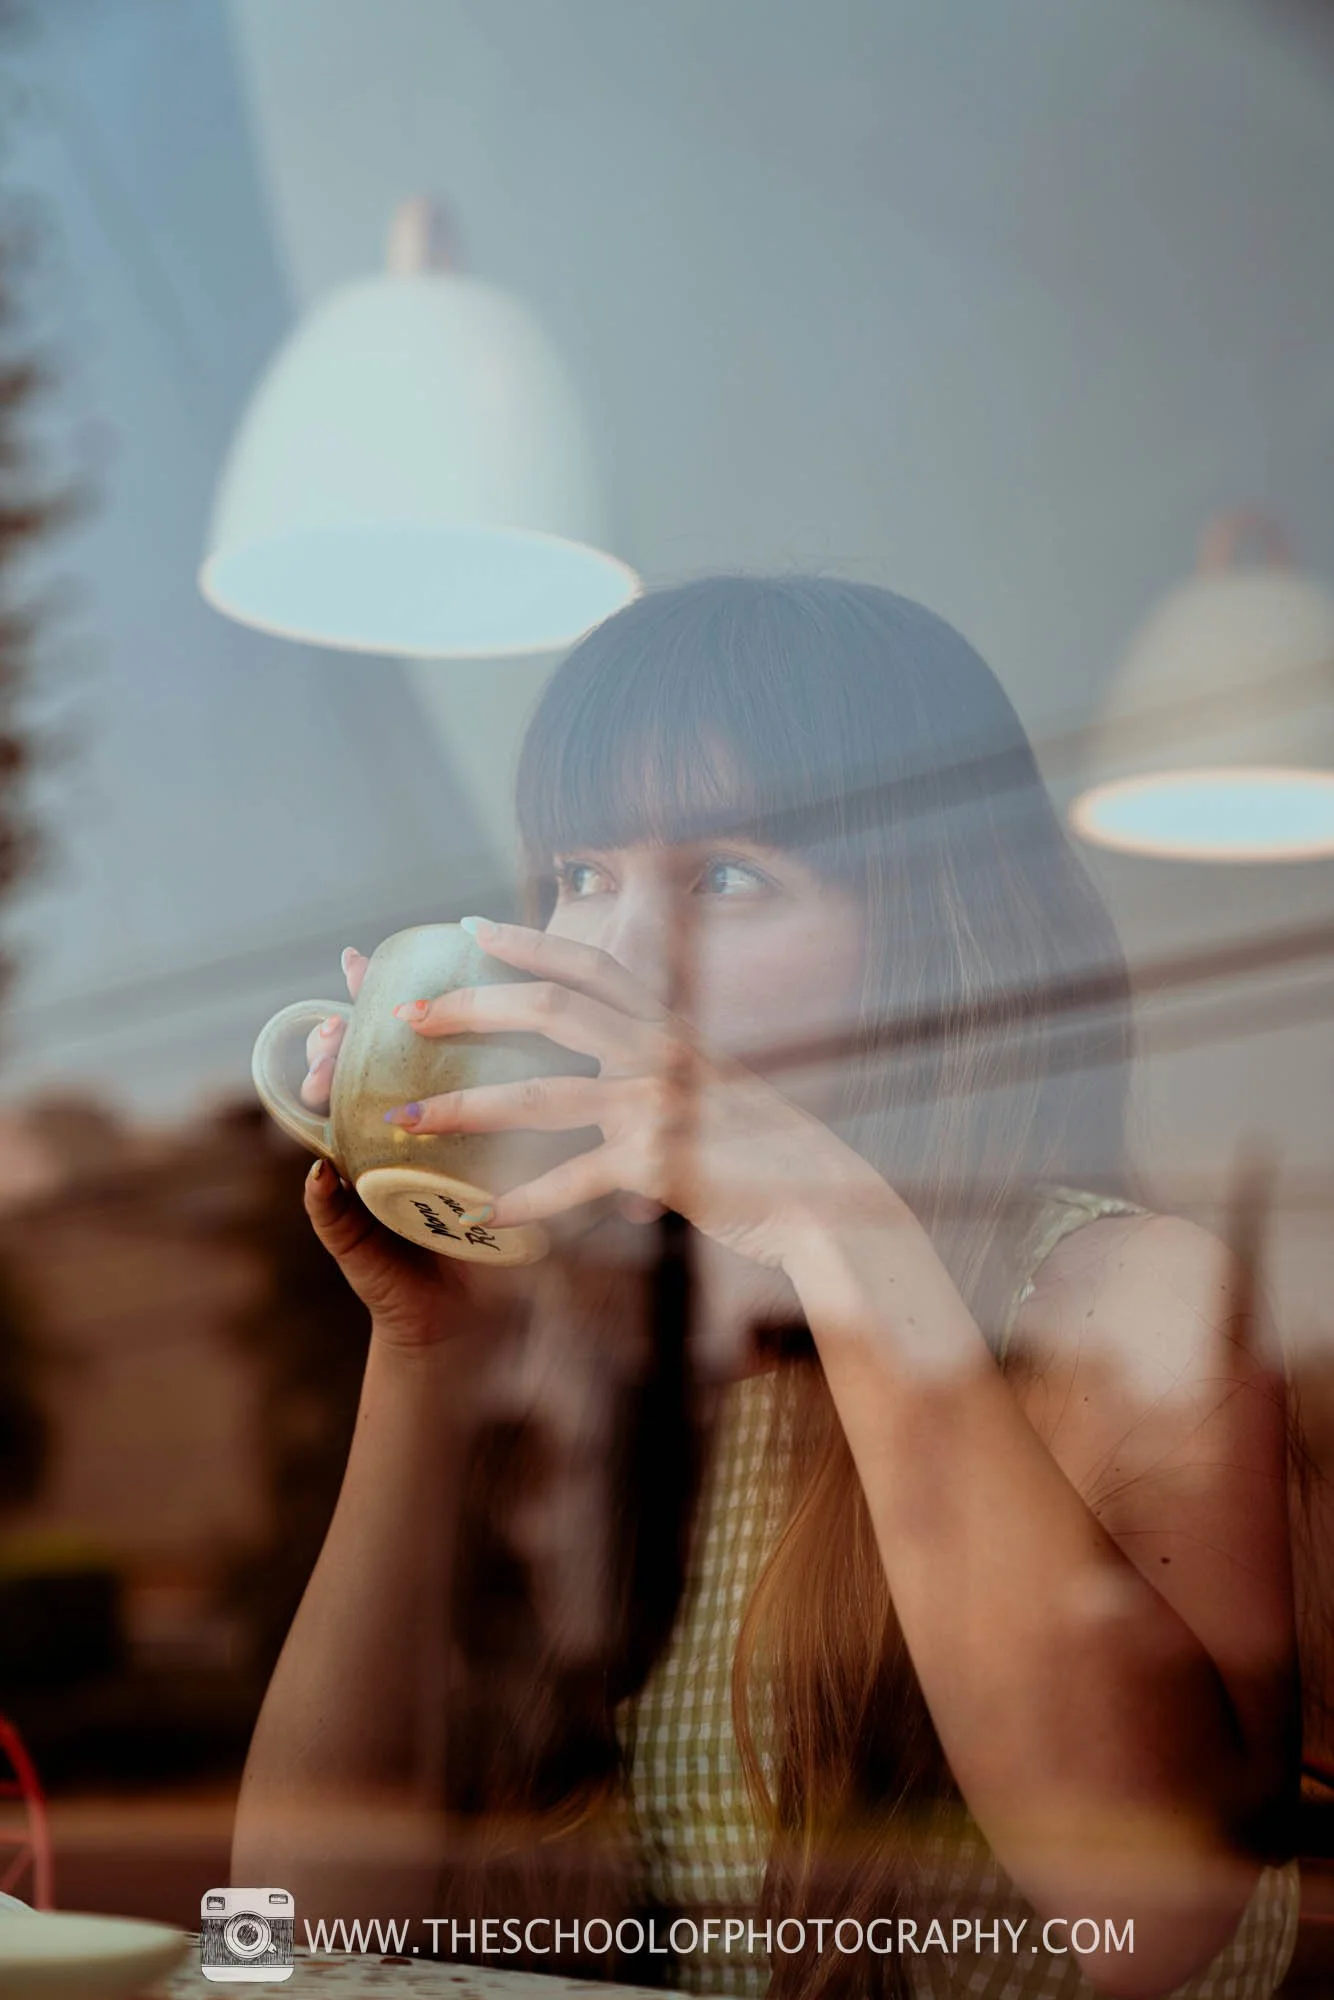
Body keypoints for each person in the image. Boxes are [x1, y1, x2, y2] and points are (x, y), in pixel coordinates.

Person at [232, 576, 1306, 2000]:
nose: (611, 955)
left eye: (727, 878)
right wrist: (431, 1353)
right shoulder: (625, 1348)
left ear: (932, 932)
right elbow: (292, 1927)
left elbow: (1153, 1913)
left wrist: (825, 1219)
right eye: (577, 876)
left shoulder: (1123, 1299)